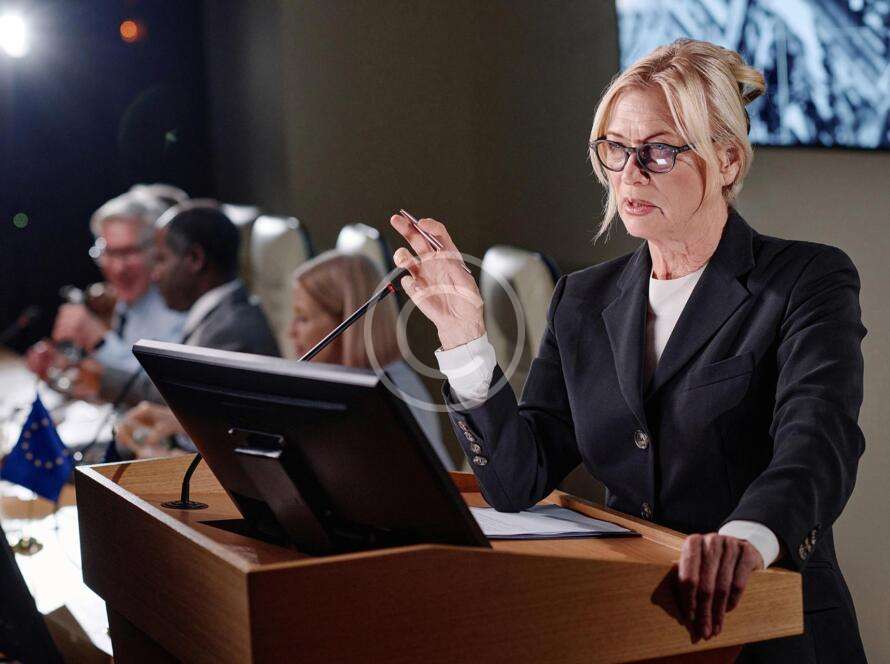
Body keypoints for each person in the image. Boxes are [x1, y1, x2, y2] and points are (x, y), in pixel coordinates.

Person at [389, 39, 866, 662]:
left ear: (727, 160)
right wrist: (463, 336)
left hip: (770, 628)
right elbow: (515, 481)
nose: (629, 175)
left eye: (660, 151)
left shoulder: (807, 279)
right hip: (630, 623)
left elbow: (817, 443)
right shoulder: (582, 298)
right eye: (615, 148)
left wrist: (746, 540)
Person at [113, 200, 280, 457]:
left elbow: (222, 443)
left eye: (161, 260)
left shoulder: (231, 330)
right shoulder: (218, 316)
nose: (155, 275)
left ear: (194, 259)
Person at [289, 250, 452, 470]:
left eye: (303, 318)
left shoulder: (394, 391)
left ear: (346, 320)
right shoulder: (332, 386)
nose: (291, 332)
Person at [24, 190, 186, 399]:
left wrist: (99, 341)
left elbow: (163, 390)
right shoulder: (128, 302)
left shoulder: (179, 303)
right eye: (109, 253)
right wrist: (59, 368)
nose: (118, 268)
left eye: (129, 252)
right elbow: (109, 382)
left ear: (157, 250)